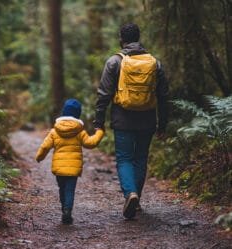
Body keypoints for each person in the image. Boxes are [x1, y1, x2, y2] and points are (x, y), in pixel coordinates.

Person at [93, 23, 169, 219]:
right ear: (139, 38)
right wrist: (163, 124)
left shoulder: (114, 62)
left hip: (122, 119)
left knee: (124, 158)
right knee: (140, 158)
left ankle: (130, 194)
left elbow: (103, 95)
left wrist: (98, 122)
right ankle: (136, 201)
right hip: (148, 119)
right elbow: (163, 96)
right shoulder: (155, 63)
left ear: (121, 39)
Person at [35, 99, 104, 224]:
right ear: (78, 115)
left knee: (62, 188)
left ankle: (64, 209)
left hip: (59, 169)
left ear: (63, 113)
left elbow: (45, 146)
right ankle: (67, 211)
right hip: (73, 169)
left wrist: (39, 157)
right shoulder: (79, 132)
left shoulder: (54, 131)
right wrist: (99, 132)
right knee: (69, 190)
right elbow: (90, 143)